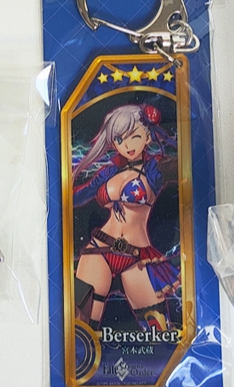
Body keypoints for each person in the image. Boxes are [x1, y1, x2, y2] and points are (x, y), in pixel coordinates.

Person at [72, 104, 179, 332]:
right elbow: (80, 195)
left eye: (134, 137)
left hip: (136, 256)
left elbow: (187, 167)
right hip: (99, 248)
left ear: (147, 136)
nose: (127, 146)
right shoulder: (109, 171)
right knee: (80, 328)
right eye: (119, 140)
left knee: (158, 330)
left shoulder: (155, 170)